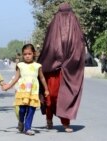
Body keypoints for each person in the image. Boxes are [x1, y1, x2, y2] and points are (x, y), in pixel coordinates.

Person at [37, 3, 85, 133]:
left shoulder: (76, 28)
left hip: (69, 70)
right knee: (51, 96)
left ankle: (65, 122)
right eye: (62, 14)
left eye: (67, 14)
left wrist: (70, 61)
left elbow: (79, 49)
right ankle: (49, 118)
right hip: (53, 70)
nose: (65, 18)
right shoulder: (53, 26)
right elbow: (48, 46)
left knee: (64, 96)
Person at [3, 44, 49, 136]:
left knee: (31, 110)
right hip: (23, 91)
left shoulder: (37, 66)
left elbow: (42, 78)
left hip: (33, 91)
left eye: (29, 54)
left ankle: (28, 128)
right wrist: (8, 86)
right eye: (25, 54)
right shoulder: (20, 65)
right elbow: (16, 78)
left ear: (34, 54)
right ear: (22, 55)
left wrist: (46, 89)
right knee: (22, 110)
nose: (27, 56)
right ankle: (21, 121)